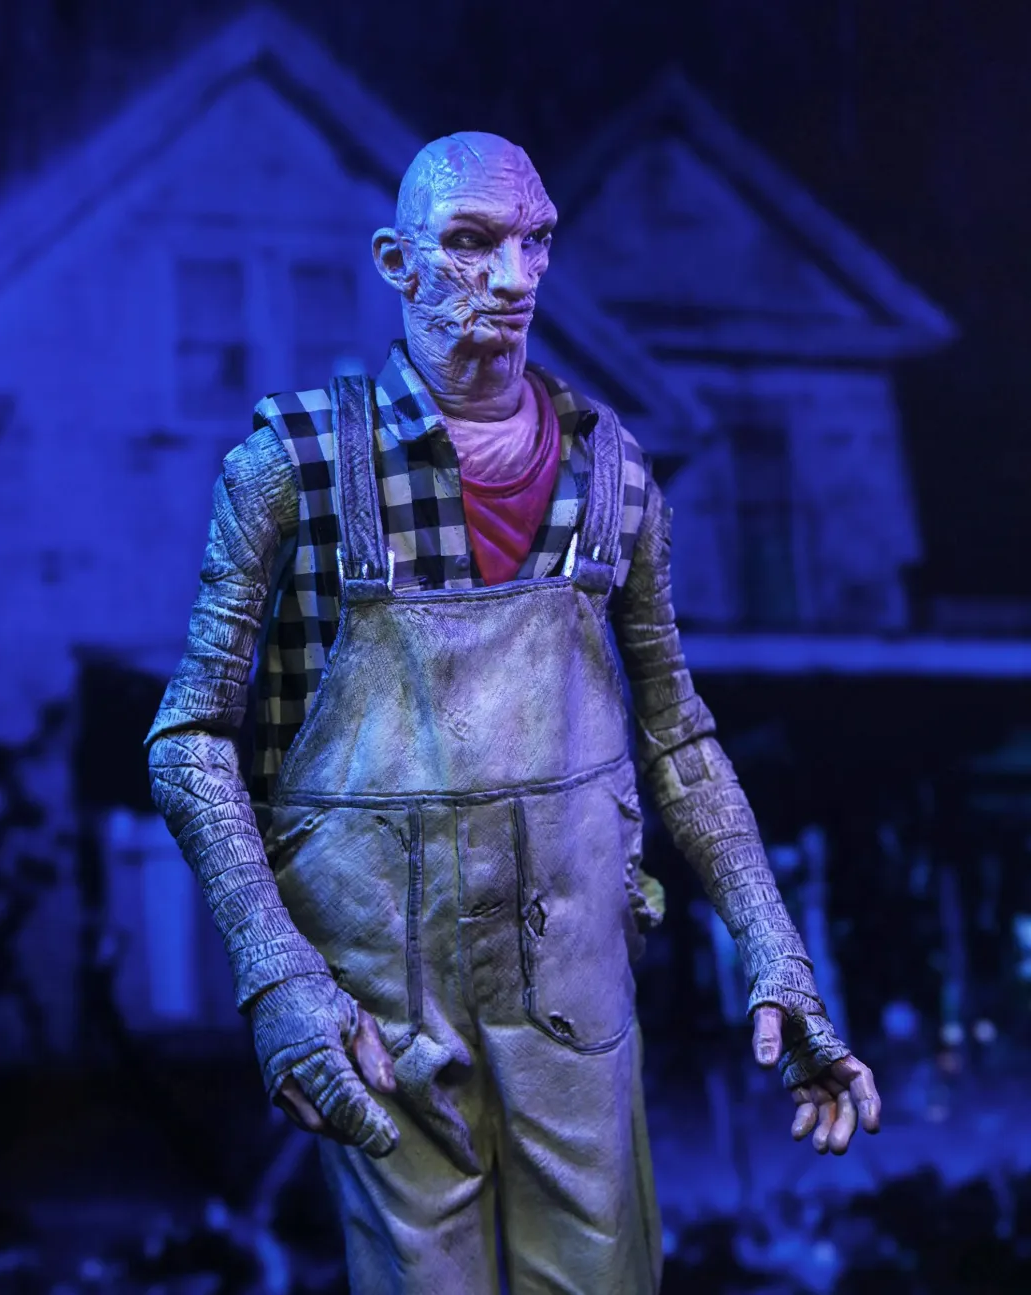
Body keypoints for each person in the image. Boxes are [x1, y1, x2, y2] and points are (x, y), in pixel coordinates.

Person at [146, 131, 880, 1294]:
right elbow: (190, 739)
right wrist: (277, 973)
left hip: (574, 982)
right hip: (376, 1000)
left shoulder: (612, 477)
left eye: (534, 240)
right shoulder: (298, 465)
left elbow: (677, 734)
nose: (512, 274)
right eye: (471, 241)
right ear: (396, 262)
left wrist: (777, 954)